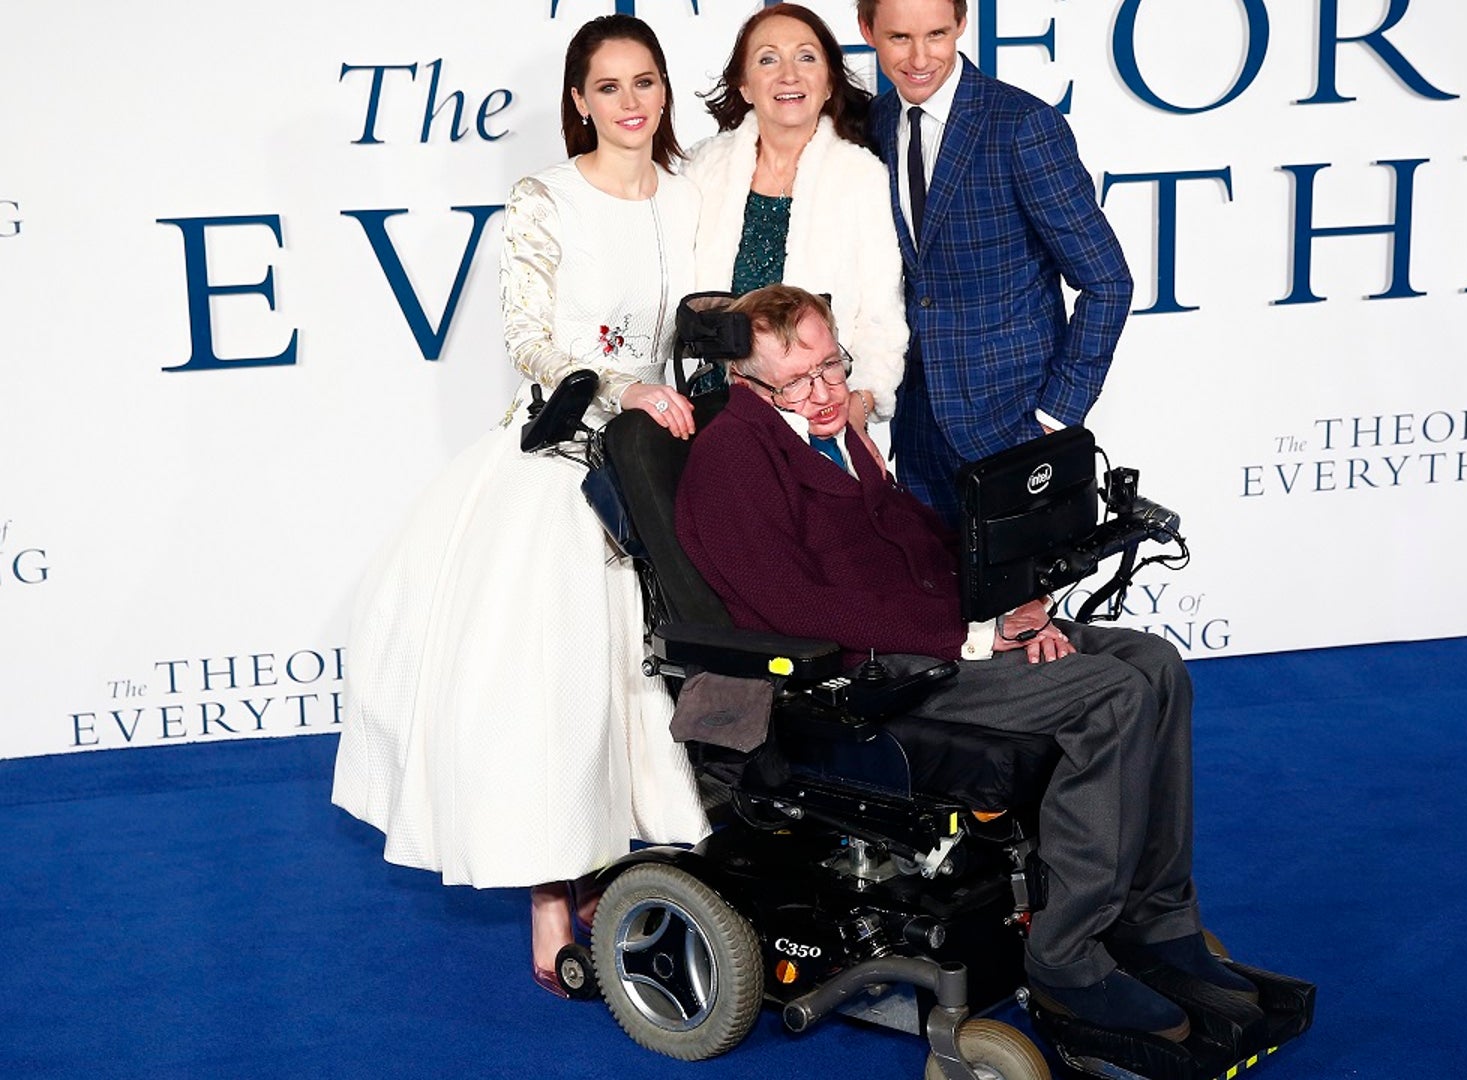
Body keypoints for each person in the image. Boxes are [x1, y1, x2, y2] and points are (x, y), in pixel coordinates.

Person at [675, 285, 1249, 1042]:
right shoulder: (731, 459)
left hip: (940, 633)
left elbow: (923, 538)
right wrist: (971, 637)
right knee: (1112, 695)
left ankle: (1156, 919)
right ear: (745, 384)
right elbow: (795, 609)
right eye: (798, 380)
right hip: (870, 677)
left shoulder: (839, 435)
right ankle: (1067, 958)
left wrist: (1018, 599)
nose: (824, 393)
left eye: (832, 367)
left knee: (1155, 664)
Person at [330, 14, 708, 1000]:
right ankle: (551, 890)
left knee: (662, 672)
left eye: (646, 82)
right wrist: (624, 388)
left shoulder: (694, 191)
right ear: (578, 100)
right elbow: (530, 340)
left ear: (666, 90)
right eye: (609, 86)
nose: (631, 103)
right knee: (553, 683)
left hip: (675, 457)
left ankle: (642, 852)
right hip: (566, 453)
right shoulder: (543, 200)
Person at [857, 0, 1133, 525]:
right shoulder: (875, 122)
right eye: (899, 38)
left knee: (1025, 608)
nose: (919, 57)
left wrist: (1056, 416)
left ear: (962, 24)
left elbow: (1108, 282)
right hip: (917, 437)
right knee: (931, 604)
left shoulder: (1023, 126)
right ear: (867, 30)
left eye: (936, 34)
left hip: (1016, 430)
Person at [684, 2, 906, 452]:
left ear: (828, 82)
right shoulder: (702, 168)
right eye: (768, 59)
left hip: (821, 418)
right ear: (744, 85)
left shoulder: (862, 176)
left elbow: (882, 316)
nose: (789, 74)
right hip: (713, 415)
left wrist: (858, 409)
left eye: (806, 57)